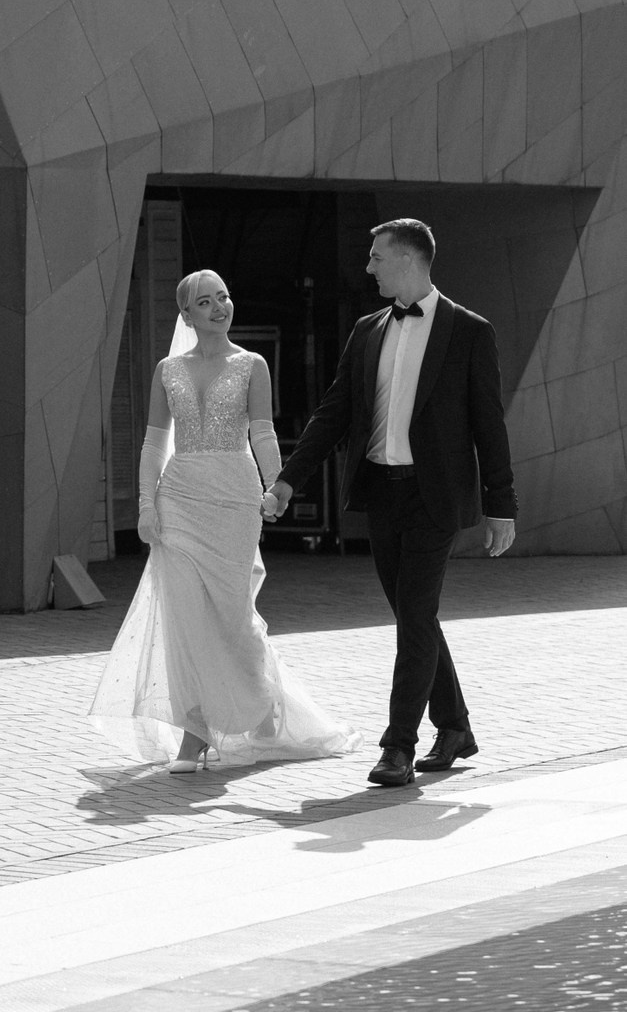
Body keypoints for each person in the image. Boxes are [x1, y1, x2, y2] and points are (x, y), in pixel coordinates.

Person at [266, 217, 516, 790]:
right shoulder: (366, 330)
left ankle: (398, 746)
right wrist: (286, 482)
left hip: (435, 496)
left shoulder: (469, 331)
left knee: (415, 615)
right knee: (414, 615)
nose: (369, 266)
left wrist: (501, 504)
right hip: (382, 491)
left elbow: (489, 424)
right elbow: (333, 414)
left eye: (377, 256)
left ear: (407, 258)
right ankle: (455, 727)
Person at [89, 268, 356, 772]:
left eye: (224, 297)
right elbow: (153, 443)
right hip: (179, 499)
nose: (220, 307)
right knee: (185, 618)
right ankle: (195, 733)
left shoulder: (252, 364)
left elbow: (263, 433)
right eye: (206, 302)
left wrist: (277, 485)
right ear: (186, 315)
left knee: (233, 617)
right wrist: (145, 506)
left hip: (235, 498)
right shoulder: (167, 369)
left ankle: (261, 698)